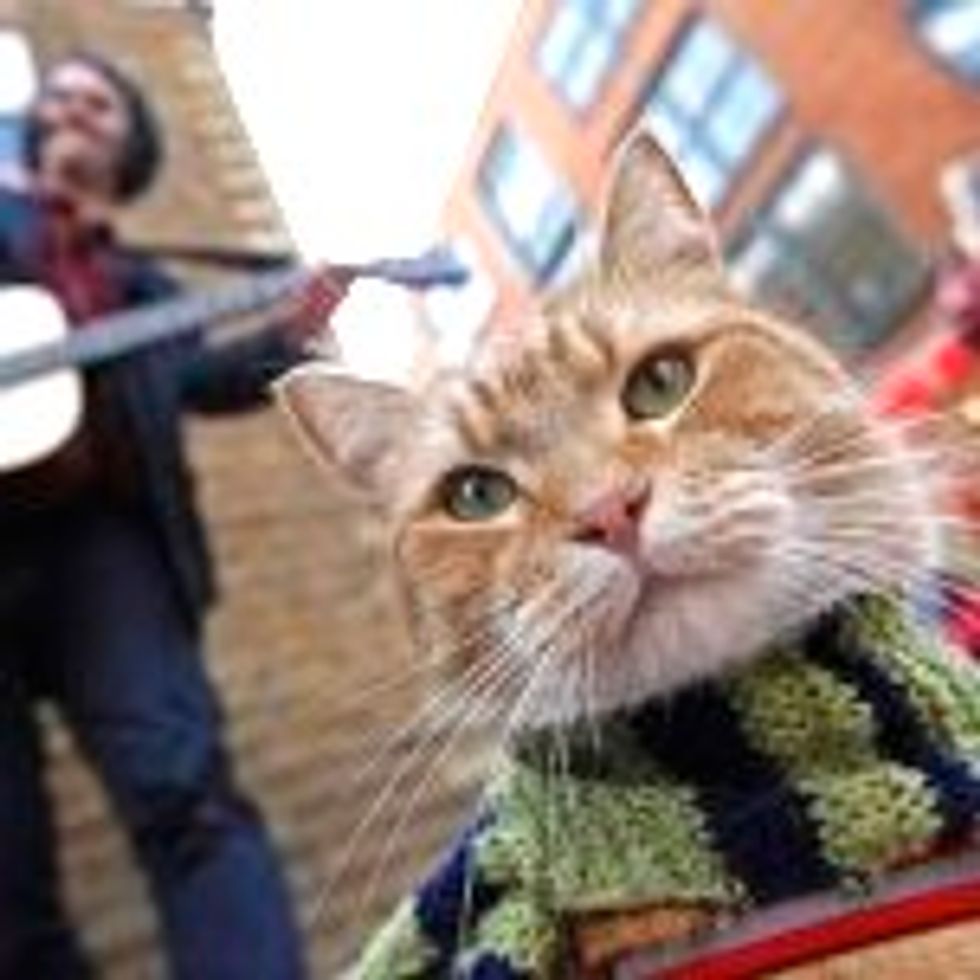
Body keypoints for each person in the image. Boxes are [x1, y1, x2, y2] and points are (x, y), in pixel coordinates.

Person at [0, 51, 347, 979]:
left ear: (130, 147)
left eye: (100, 100)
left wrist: (290, 335)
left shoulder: (149, 286)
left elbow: (198, 380)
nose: (72, 103)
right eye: (59, 92)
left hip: (101, 549)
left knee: (184, 796)